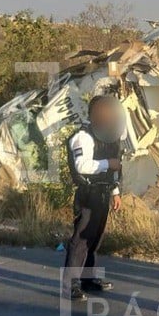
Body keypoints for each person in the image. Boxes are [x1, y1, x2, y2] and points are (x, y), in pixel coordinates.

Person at [62, 94, 124, 301]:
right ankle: (71, 284)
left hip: (103, 193)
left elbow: (116, 167)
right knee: (80, 240)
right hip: (88, 194)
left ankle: (88, 279)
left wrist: (115, 192)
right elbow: (83, 166)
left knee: (94, 239)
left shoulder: (108, 135)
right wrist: (109, 163)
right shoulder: (83, 136)